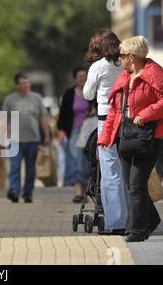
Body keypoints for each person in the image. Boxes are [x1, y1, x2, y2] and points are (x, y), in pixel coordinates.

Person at [98, 36, 163, 242]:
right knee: (131, 185)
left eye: (121, 56)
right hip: (128, 134)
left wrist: (146, 114)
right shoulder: (124, 76)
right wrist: (104, 137)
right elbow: (115, 110)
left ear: (132, 57)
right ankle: (152, 219)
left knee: (137, 184)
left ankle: (137, 230)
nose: (119, 60)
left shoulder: (156, 74)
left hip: (150, 136)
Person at [83, 29, 128, 235]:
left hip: (107, 121)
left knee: (110, 171)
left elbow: (87, 93)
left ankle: (117, 222)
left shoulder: (98, 67)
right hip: (128, 121)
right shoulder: (126, 64)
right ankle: (133, 220)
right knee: (127, 170)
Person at [1, 73, 51, 203]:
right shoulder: (10, 99)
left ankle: (28, 193)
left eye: (27, 83)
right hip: (14, 140)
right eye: (23, 83)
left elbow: (43, 118)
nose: (26, 85)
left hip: (33, 140)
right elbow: (4, 119)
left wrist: (47, 135)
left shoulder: (37, 98)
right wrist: (2, 137)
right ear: (17, 86)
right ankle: (14, 191)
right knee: (15, 166)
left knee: (30, 168)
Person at [57, 67, 96, 203]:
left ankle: (85, 190)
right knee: (75, 158)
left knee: (86, 159)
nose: (82, 79)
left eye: (84, 76)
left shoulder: (93, 92)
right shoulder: (69, 93)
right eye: (80, 76)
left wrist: (93, 110)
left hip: (90, 130)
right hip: (73, 129)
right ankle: (79, 191)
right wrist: (61, 131)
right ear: (75, 78)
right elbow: (62, 114)